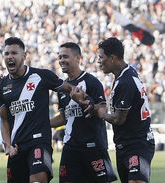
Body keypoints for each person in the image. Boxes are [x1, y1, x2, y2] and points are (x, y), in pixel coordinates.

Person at [0, 37, 85, 183]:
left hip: (39, 142)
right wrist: (7, 146)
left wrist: (89, 102)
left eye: (14, 53)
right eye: (6, 54)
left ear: (24, 56)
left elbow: (70, 89)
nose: (10, 57)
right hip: (17, 147)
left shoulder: (41, 76)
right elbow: (4, 120)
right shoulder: (1, 86)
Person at [89, 37, 155, 183]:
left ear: (112, 58)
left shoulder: (125, 81)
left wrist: (100, 112)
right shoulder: (125, 74)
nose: (98, 61)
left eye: (101, 57)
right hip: (125, 144)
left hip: (137, 143)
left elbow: (119, 119)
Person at [50, 42, 117, 183]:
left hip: (93, 146)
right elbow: (63, 117)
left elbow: (101, 110)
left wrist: (82, 101)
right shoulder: (61, 89)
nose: (61, 60)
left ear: (78, 58)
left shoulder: (92, 82)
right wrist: (43, 123)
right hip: (70, 147)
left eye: (65, 56)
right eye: (60, 57)